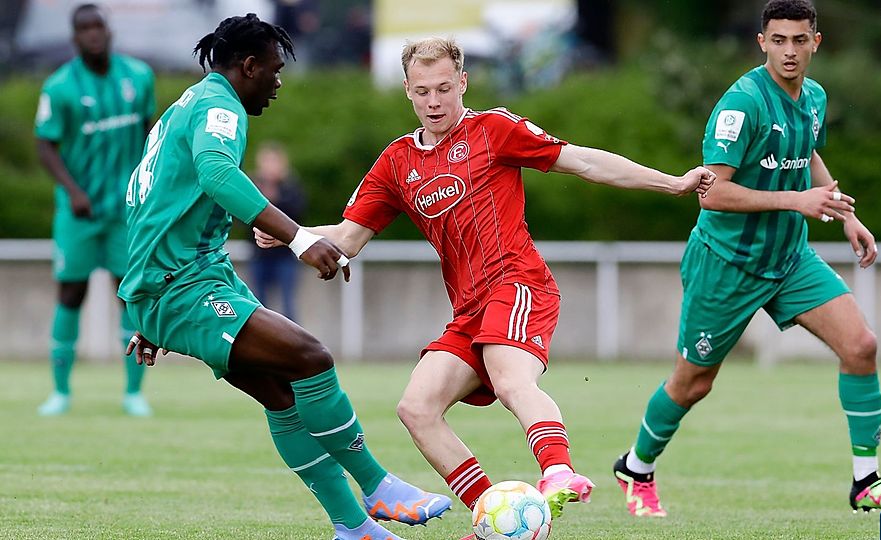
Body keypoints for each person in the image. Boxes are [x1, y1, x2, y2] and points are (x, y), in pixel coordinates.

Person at [256, 36, 714, 536]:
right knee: (417, 407)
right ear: (408, 91)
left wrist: (671, 183)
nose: (435, 102)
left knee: (512, 376)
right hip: (469, 310)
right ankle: (494, 514)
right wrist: (289, 232)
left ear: (463, 84)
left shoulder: (493, 129)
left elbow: (581, 161)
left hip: (518, 283)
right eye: (423, 91)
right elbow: (348, 238)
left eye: (445, 89)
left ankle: (557, 470)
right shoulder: (396, 163)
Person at [120, 14, 450, 540]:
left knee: (282, 392)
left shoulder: (187, 106)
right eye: (273, 71)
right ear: (248, 67)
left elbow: (149, 200)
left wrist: (145, 303)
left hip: (184, 280)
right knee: (310, 358)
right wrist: (300, 238)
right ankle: (377, 486)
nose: (278, 83)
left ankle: (353, 526)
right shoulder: (218, 106)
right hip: (182, 285)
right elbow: (218, 175)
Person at [612, 0, 881, 518]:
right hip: (726, 263)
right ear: (762, 42)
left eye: (799, 40)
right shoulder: (742, 104)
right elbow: (711, 193)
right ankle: (637, 466)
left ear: (815, 43)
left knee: (861, 346)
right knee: (693, 383)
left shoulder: (814, 97)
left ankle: (866, 480)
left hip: (788, 257)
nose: (789, 51)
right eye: (778, 40)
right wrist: (797, 201)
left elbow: (806, 152)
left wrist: (842, 210)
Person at [34, 3, 155, 417]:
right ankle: (60, 392)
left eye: (98, 26)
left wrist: (148, 188)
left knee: (131, 295)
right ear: (75, 37)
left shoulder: (138, 77)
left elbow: (148, 136)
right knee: (71, 292)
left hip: (126, 213)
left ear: (109, 30)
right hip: (78, 212)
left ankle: (134, 393)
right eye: (84, 28)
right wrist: (73, 190)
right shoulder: (60, 86)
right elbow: (45, 144)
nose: (93, 34)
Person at [248, 142, 305, 321]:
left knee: (288, 304)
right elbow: (243, 220)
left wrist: (276, 200)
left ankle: (293, 344)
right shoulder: (251, 187)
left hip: (285, 256)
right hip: (259, 255)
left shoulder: (291, 188)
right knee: (258, 305)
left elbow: (298, 216)